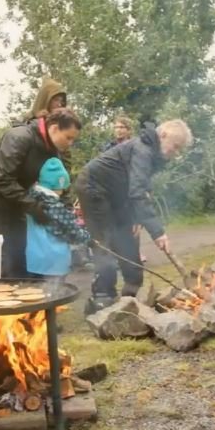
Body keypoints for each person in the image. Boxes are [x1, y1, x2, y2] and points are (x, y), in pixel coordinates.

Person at [75, 119, 194, 314]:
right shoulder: (143, 150)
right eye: (176, 146)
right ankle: (102, 300)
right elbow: (138, 192)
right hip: (93, 188)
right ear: (163, 135)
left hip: (118, 195)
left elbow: (140, 188)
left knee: (128, 240)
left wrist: (137, 219)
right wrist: (158, 232)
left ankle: (131, 297)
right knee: (104, 243)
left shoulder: (153, 153)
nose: (177, 152)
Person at [0, 108, 82, 277]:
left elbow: (61, 184)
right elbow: (3, 179)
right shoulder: (20, 137)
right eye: (68, 137)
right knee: (1, 258)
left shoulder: (52, 151)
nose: (70, 143)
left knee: (20, 254)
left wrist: (67, 213)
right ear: (54, 128)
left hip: (18, 199)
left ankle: (25, 301)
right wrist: (36, 208)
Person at [26, 157, 91, 278]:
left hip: (33, 259)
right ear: (58, 184)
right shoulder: (55, 206)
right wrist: (89, 237)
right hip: (54, 261)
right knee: (54, 293)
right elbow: (72, 231)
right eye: (62, 187)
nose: (63, 191)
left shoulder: (30, 199)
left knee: (35, 293)